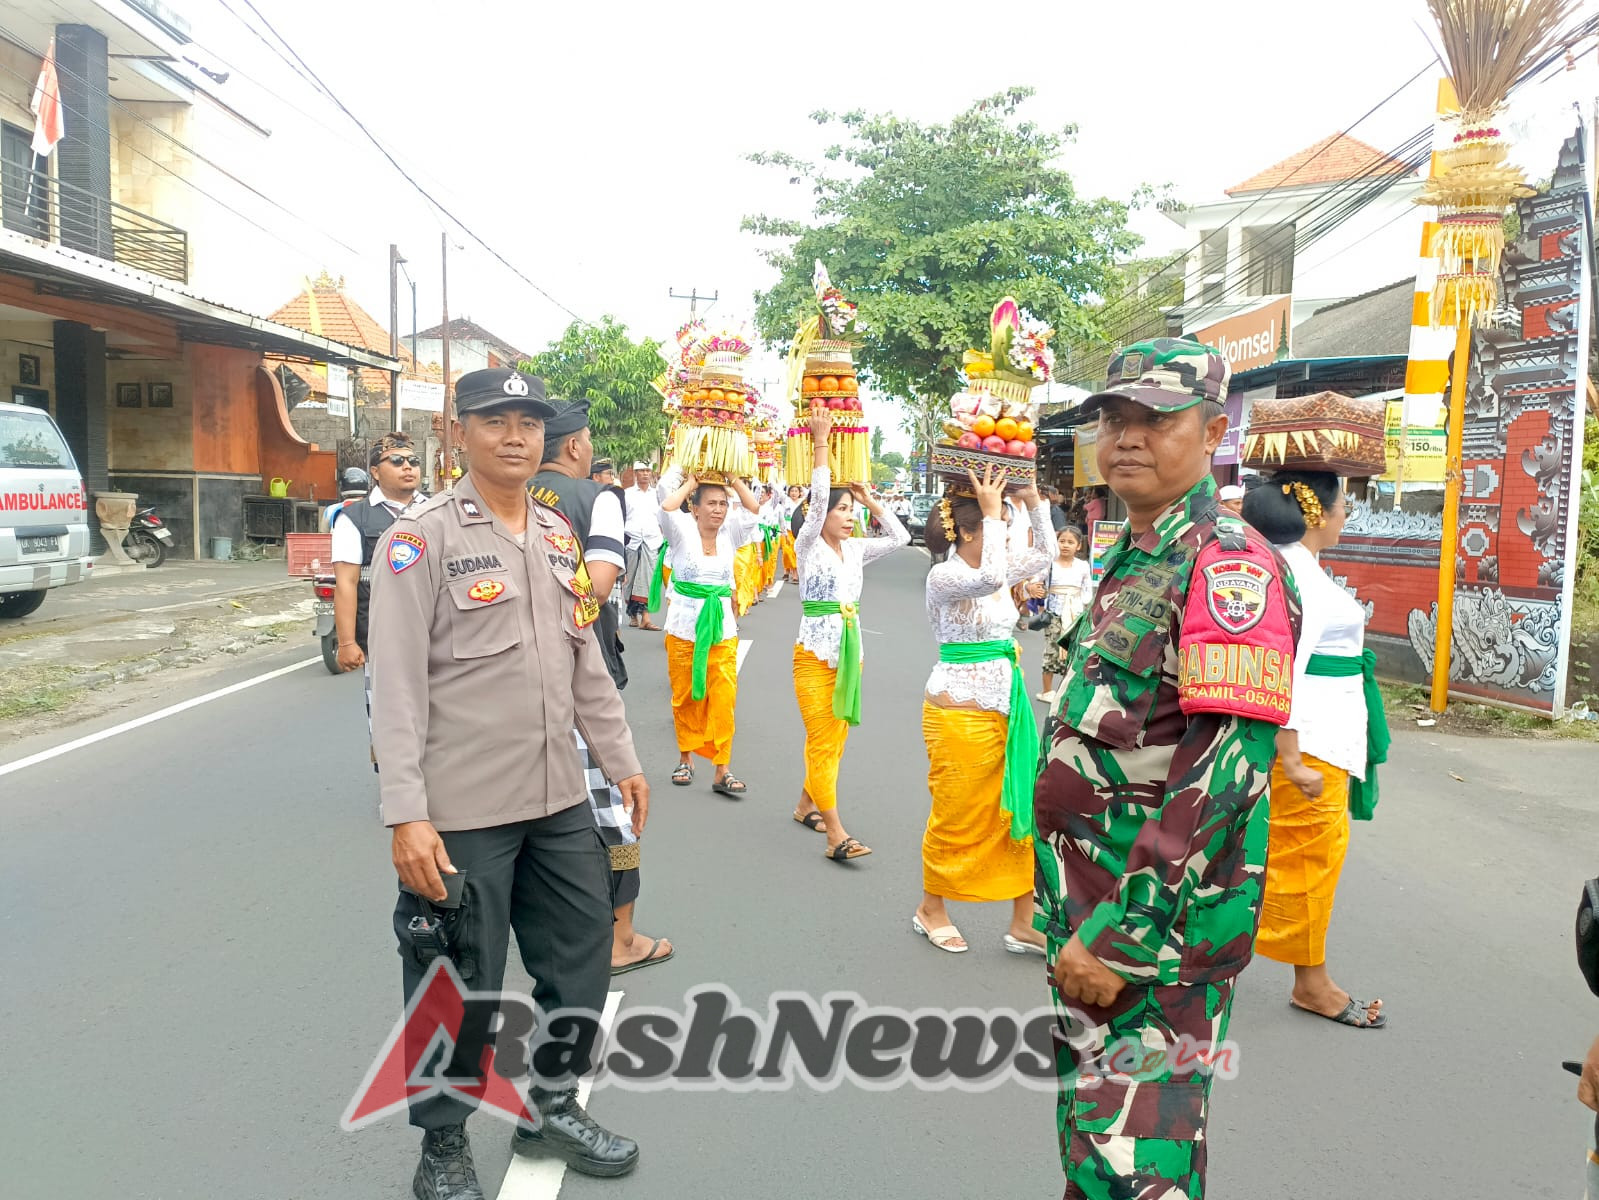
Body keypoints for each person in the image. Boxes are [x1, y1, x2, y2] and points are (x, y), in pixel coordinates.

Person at [1032, 338, 1301, 1200]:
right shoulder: (1133, 549)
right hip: (1093, 909)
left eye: (1156, 419)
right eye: (1114, 419)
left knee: (1133, 1165)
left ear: (1214, 430)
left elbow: (1224, 769)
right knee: (1098, 1140)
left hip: (1152, 936)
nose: (1128, 437)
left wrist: (1123, 935)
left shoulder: (1225, 563)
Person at [368, 368, 644, 1196]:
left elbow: (584, 659)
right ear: (459, 433)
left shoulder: (557, 534)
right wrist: (405, 815)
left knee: (581, 960)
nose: (515, 436)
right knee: (456, 979)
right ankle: (442, 1145)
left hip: (559, 796)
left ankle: (552, 1104)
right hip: (464, 811)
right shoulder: (420, 539)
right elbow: (396, 685)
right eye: (495, 421)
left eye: (529, 421)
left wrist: (622, 760)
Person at [530, 399, 674, 976]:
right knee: (613, 810)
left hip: (512, 678)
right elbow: (599, 584)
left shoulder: (503, 495)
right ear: (574, 447)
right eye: (587, 439)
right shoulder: (598, 499)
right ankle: (620, 939)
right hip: (578, 673)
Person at [1243, 470, 1390, 1029]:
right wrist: (1293, 756)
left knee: (1296, 860)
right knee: (1306, 863)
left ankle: (1303, 975)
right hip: (1314, 741)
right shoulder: (1297, 576)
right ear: (1314, 513)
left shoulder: (1294, 568)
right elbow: (1287, 670)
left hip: (1327, 734)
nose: (1345, 515)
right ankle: (1312, 984)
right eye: (1342, 505)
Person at [915, 465, 1052, 954]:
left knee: (1018, 808)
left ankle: (1023, 920)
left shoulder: (996, 567)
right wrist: (997, 513)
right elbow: (991, 573)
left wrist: (1033, 501)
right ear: (971, 529)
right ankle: (931, 907)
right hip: (958, 711)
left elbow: (1047, 554)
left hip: (1006, 708)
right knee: (957, 815)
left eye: (1007, 523)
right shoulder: (945, 575)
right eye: (997, 523)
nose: (1007, 531)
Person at [790, 409, 910, 861]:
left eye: (851, 510)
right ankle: (835, 833)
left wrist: (871, 499)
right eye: (841, 508)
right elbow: (817, 503)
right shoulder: (807, 545)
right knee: (822, 741)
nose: (847, 516)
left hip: (851, 654)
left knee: (835, 740)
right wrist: (821, 445)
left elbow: (899, 538)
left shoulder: (857, 549)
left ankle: (806, 805)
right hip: (813, 655)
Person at [655, 463, 762, 796]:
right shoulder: (680, 530)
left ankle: (722, 768)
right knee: (684, 695)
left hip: (722, 629)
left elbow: (753, 508)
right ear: (695, 507)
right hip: (683, 626)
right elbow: (666, 504)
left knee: (724, 696)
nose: (718, 510)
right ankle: (686, 759)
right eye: (711, 503)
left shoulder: (731, 532)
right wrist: (690, 479)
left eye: (722, 503)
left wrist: (732, 479)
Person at [331, 434, 424, 674]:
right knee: (387, 710)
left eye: (413, 461)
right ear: (375, 471)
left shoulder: (437, 510)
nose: (407, 467)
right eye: (395, 460)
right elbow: (346, 583)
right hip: (381, 637)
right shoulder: (354, 518)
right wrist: (347, 642)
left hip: (435, 635)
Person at [1034, 524, 1093, 704]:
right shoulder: (1049, 565)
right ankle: (1047, 691)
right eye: (1062, 541)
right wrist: (1036, 590)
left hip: (1075, 615)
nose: (1065, 545)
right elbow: (1036, 583)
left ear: (1078, 546)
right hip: (1054, 614)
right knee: (1051, 650)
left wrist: (1083, 605)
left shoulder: (1082, 566)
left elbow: (1087, 590)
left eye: (1070, 542)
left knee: (1072, 651)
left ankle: (1064, 690)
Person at [622, 462, 663, 631]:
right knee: (630, 580)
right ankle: (633, 614)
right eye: (641, 471)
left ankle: (646, 617)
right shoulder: (627, 494)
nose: (645, 474)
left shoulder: (658, 495)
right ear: (635, 474)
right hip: (632, 540)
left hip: (652, 542)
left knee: (649, 580)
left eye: (647, 471)